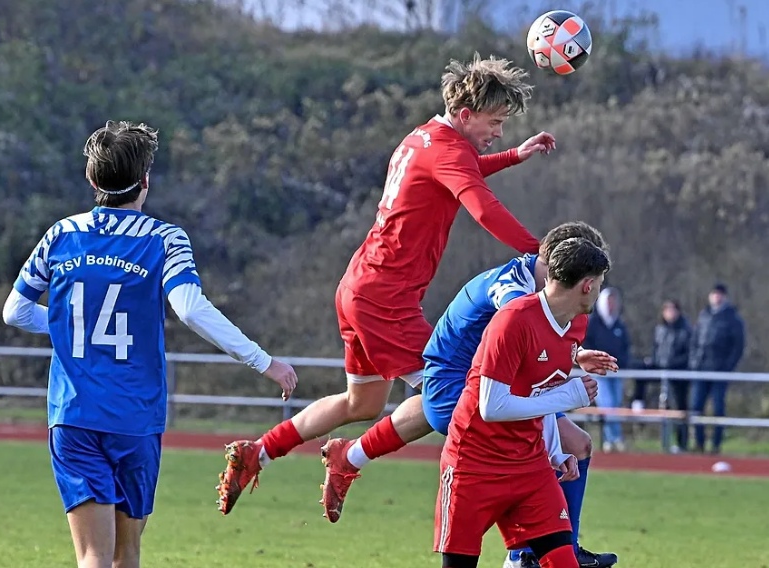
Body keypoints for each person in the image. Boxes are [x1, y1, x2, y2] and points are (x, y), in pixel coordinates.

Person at [217, 53, 556, 515]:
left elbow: (462, 169)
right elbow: (482, 208)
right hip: (385, 300)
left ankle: (259, 452)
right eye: (495, 123)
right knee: (448, 391)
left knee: (362, 403)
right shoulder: (451, 151)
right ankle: (351, 458)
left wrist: (515, 155)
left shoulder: (424, 137)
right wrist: (543, 255)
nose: (498, 132)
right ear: (465, 115)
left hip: (359, 285)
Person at [2, 121, 298, 568]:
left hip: (73, 416)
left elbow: (15, 312)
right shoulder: (164, 239)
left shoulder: (60, 235)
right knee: (126, 556)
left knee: (92, 557)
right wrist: (263, 361)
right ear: (144, 182)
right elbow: (191, 309)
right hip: (135, 418)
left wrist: (69, 328)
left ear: (91, 179)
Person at [315, 222, 617, 566]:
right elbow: (521, 341)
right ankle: (528, 554)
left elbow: (537, 346)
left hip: (483, 375)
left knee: (566, 444)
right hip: (452, 373)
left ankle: (351, 455)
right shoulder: (514, 294)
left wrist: (572, 355)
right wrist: (565, 395)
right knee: (500, 431)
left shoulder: (550, 303)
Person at [434, 237, 610, 568]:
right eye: (600, 285)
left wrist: (556, 451)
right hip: (474, 465)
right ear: (587, 285)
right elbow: (492, 406)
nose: (599, 292)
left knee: (564, 562)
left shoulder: (573, 326)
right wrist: (567, 396)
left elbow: (541, 391)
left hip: (530, 465)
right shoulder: (513, 319)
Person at [689, 283, 745, 454]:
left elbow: (738, 346)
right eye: (714, 294)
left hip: (720, 371)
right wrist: (694, 362)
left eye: (720, 294)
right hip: (701, 369)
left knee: (718, 408)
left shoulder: (733, 318)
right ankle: (699, 444)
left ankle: (716, 445)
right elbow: (695, 340)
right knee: (696, 407)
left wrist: (728, 367)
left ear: (725, 297)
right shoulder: (704, 315)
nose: (717, 297)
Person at [584, 287, 630, 452]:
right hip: (599, 372)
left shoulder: (619, 325)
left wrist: (620, 364)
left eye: (613, 301)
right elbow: (586, 346)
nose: (611, 305)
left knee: (615, 405)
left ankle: (613, 438)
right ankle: (613, 439)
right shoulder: (592, 324)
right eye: (608, 301)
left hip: (616, 372)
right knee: (607, 405)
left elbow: (625, 348)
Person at [649, 300, 692, 452]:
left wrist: (672, 364)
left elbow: (688, 354)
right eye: (667, 310)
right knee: (665, 407)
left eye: (673, 310)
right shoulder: (660, 329)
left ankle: (682, 443)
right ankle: (665, 443)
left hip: (679, 375)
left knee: (680, 409)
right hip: (662, 374)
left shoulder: (685, 330)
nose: (670, 313)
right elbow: (656, 350)